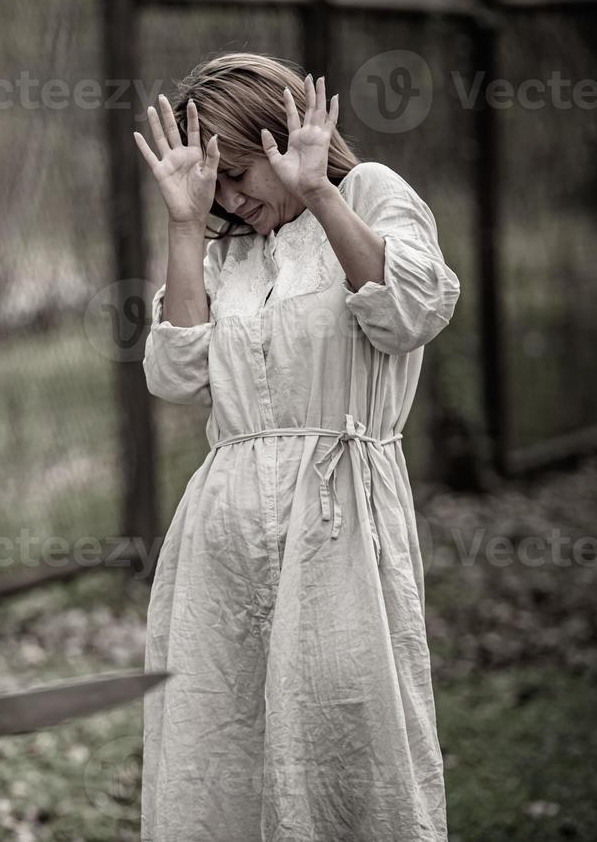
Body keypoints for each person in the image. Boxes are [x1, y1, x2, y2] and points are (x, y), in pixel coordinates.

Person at [133, 53, 459, 840]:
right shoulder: (222, 252)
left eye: (239, 174)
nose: (233, 200)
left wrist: (316, 191)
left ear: (278, 137)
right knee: (221, 740)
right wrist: (184, 223)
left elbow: (411, 312)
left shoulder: (370, 195)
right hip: (225, 528)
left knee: (348, 733)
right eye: (219, 187)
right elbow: (175, 374)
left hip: (340, 517)